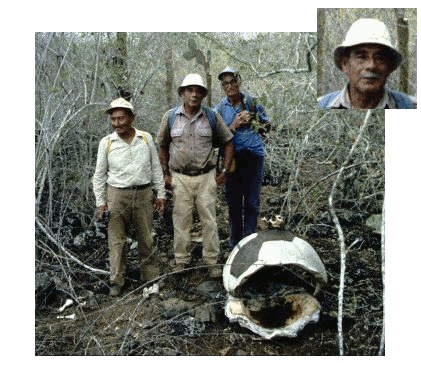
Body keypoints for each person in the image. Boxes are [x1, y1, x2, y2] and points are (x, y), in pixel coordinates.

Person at [157, 74, 234, 278]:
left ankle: (212, 261)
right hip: (179, 177)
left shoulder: (211, 116)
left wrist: (225, 171)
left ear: (203, 95)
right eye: (190, 90)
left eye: (198, 90)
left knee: (209, 220)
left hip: (206, 176)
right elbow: (162, 145)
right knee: (181, 220)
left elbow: (228, 142)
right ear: (182, 93)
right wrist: (164, 173)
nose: (194, 94)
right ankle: (181, 260)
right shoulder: (170, 117)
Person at [93, 97, 167, 296]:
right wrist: (101, 204)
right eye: (113, 119)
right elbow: (99, 175)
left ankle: (150, 276)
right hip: (116, 195)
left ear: (131, 118)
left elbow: (155, 168)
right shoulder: (106, 143)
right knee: (116, 240)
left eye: (121, 119)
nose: (116, 123)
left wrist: (161, 194)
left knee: (146, 236)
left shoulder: (145, 138)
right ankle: (117, 280)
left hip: (143, 194)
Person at [214, 67, 270, 250]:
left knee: (252, 201)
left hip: (254, 155)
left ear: (239, 82)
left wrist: (253, 118)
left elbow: (267, 128)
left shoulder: (252, 102)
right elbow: (216, 138)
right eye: (226, 83)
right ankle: (235, 244)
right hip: (232, 159)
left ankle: (250, 242)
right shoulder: (219, 109)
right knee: (234, 201)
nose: (230, 86)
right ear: (222, 87)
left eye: (233, 82)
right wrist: (234, 125)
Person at [318, 18, 414, 109]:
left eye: (379, 58)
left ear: (389, 66)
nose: (371, 66)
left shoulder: (408, 106)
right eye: (361, 57)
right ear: (345, 64)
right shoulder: (323, 106)